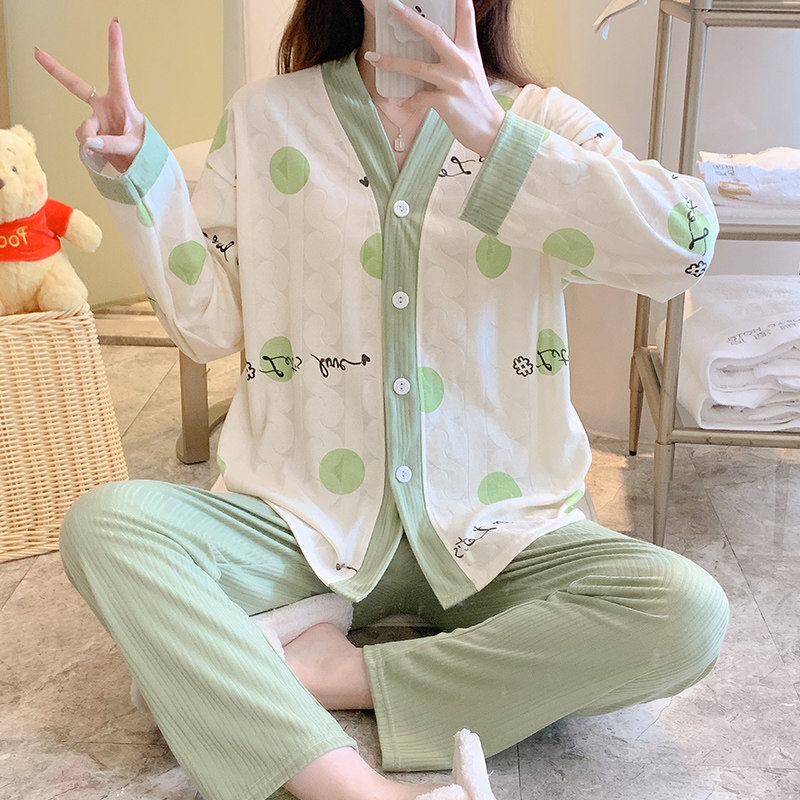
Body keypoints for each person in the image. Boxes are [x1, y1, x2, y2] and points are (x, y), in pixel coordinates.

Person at [36, 2, 729, 799]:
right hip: (303, 522)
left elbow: (688, 243)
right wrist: (142, 179)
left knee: (685, 613)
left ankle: (325, 670)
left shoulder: (538, 119)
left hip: (500, 530)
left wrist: (497, 140)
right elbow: (208, 328)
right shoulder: (266, 118)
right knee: (109, 526)